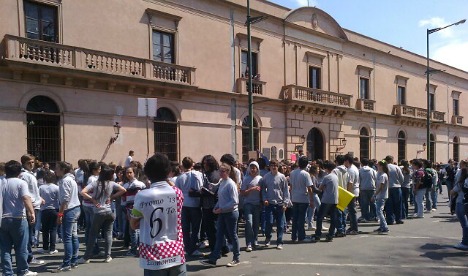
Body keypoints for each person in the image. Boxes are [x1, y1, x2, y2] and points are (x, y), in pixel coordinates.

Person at [130, 153, 186, 275]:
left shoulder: (142, 195)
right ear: (169, 171)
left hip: (153, 256)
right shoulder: (178, 193)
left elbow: (133, 224)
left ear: (147, 173)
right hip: (176, 252)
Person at [78, 166, 126, 263]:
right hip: (109, 211)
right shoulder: (112, 184)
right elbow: (123, 190)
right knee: (108, 234)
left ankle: (86, 257)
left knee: (93, 234)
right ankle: (108, 256)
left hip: (98, 212)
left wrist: (92, 200)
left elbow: (83, 192)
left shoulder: (95, 184)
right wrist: (112, 196)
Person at [0, 160, 38, 276]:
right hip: (18, 217)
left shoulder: (2, 182)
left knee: (5, 248)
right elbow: (26, 198)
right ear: (19, 171)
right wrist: (32, 212)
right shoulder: (21, 183)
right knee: (21, 246)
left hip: (3, 218)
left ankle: (7, 272)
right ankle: (22, 270)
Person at [200, 163, 240, 267]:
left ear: (228, 172)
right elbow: (220, 198)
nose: (220, 173)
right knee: (219, 235)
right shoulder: (222, 182)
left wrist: (221, 208)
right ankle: (214, 258)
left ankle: (236, 258)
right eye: (220, 171)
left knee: (232, 236)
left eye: (223, 171)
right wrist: (216, 207)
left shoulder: (231, 184)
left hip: (231, 213)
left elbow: (234, 201)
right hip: (222, 213)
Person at [54, 161, 81, 272]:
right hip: (76, 208)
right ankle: (74, 260)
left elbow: (65, 199)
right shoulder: (72, 179)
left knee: (67, 237)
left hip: (69, 210)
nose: (55, 170)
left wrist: (60, 214)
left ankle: (67, 263)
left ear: (63, 169)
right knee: (73, 236)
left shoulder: (64, 181)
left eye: (57, 168)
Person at [175, 157, 204, 257]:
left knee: (185, 228)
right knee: (195, 228)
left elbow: (177, 191)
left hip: (183, 204)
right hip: (194, 204)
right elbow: (200, 187)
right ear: (192, 164)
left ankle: (187, 248)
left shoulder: (180, 177)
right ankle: (193, 247)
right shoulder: (196, 174)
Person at [19, 154, 43, 265]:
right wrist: (30, 209)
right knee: (28, 233)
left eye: (33, 162)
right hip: (31, 206)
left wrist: (39, 197)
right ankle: (28, 257)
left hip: (35, 204)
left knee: (31, 232)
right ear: (23, 163)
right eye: (29, 162)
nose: (31, 164)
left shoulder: (30, 174)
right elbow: (26, 193)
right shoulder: (25, 175)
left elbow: (32, 191)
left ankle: (28, 256)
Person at [260, 160, 290, 249]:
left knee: (280, 224)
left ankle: (279, 241)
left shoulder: (282, 177)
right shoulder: (266, 177)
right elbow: (263, 190)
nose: (274, 167)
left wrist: (285, 203)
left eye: (275, 165)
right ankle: (268, 238)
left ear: (278, 167)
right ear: (269, 167)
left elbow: (286, 191)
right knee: (269, 222)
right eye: (272, 165)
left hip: (280, 204)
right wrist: (264, 199)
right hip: (269, 203)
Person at [289, 156, 314, 243]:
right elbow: (310, 188)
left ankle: (294, 236)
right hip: (303, 198)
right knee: (301, 219)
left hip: (295, 197)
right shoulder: (306, 174)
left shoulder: (292, 173)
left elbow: (291, 186)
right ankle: (301, 236)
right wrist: (311, 200)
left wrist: (291, 196)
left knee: (295, 218)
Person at [313, 160, 338, 242]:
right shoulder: (335, 176)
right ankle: (331, 234)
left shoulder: (326, 177)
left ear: (326, 168)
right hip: (334, 199)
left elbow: (320, 188)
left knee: (320, 217)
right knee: (333, 217)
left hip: (326, 199)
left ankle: (318, 234)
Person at [240, 161, 262, 251]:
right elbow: (242, 192)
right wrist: (251, 189)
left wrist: (262, 200)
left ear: (257, 169)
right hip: (248, 203)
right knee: (249, 222)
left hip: (257, 203)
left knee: (256, 223)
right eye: (251, 168)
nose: (253, 170)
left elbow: (263, 191)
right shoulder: (246, 179)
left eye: (254, 168)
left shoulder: (260, 179)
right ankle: (248, 243)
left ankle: (255, 240)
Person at [38, 171, 60, 255]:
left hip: (44, 210)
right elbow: (59, 198)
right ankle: (52, 248)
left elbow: (38, 196)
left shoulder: (41, 187)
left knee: (45, 229)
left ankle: (45, 247)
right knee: (53, 229)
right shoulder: (56, 187)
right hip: (54, 209)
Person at [451, 160, 468, 250]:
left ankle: (465, 242)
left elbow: (454, 191)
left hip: (462, 201)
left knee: (464, 224)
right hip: (463, 201)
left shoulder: (463, 179)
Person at [384, 155, 404, 225]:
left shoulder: (384, 167)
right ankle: (398, 219)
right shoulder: (396, 167)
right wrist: (399, 183)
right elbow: (401, 178)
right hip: (396, 187)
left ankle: (390, 219)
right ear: (392, 160)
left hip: (387, 188)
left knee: (389, 204)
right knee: (398, 204)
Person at [344, 154, 360, 235]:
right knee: (351, 211)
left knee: (352, 211)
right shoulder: (354, 168)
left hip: (352, 192)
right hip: (354, 191)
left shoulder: (351, 170)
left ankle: (354, 228)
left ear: (347, 161)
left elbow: (350, 183)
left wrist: (347, 193)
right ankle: (352, 226)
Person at [373, 160, 390, 234]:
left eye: (378, 165)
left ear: (381, 166)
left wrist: (375, 194)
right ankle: (381, 226)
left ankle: (385, 226)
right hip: (380, 195)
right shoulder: (380, 174)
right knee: (379, 211)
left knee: (379, 211)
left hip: (381, 195)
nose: (377, 166)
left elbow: (381, 187)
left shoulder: (383, 175)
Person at [359, 158, 377, 222]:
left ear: (361, 163)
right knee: (373, 203)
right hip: (372, 188)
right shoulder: (372, 170)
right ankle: (375, 216)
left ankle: (365, 217)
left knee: (364, 204)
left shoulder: (360, 170)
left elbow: (359, 180)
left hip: (363, 188)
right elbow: (376, 178)